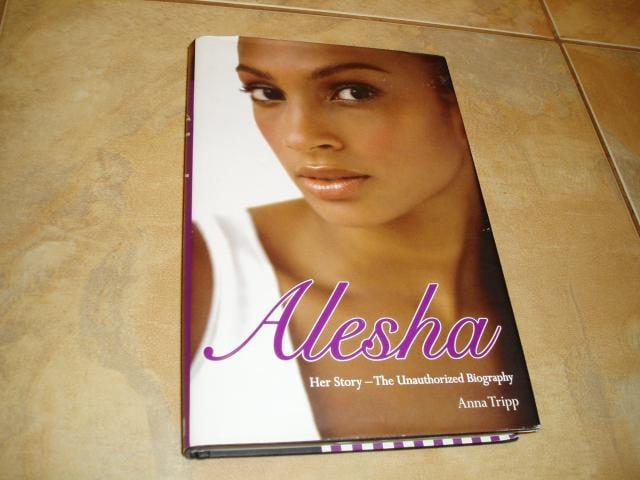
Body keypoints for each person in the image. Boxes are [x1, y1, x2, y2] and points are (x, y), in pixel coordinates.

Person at [190, 37, 534, 444]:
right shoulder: (201, 267)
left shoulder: (554, 278)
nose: (298, 137)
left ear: (465, 103)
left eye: (353, 92)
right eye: (267, 93)